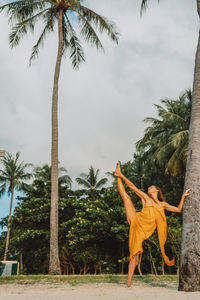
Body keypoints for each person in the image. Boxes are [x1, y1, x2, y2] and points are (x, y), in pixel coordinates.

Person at [114, 162, 191, 287]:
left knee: (134, 255)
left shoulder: (163, 204)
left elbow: (178, 209)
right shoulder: (145, 198)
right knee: (126, 197)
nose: (148, 188)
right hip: (136, 220)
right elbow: (133, 187)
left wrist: (183, 196)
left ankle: (129, 281)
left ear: (156, 190)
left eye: (151, 187)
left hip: (142, 231)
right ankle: (118, 175)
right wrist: (122, 176)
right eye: (148, 188)